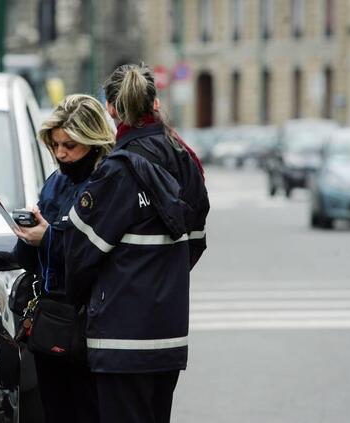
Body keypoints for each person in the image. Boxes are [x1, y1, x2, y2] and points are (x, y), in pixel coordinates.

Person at [62, 63, 210, 423]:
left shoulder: (116, 172)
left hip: (119, 339)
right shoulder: (185, 161)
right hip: (168, 334)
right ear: (154, 103)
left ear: (111, 109)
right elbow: (195, 242)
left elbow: (78, 256)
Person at [13, 94, 115, 423]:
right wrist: (28, 236)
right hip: (53, 319)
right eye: (56, 145)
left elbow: (95, 251)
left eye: (70, 145)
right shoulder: (56, 182)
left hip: (92, 322)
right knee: (54, 410)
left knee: (89, 410)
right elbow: (34, 256)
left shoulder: (107, 182)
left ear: (93, 142)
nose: (61, 154)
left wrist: (49, 238)